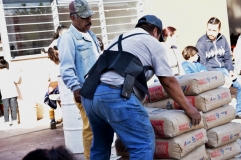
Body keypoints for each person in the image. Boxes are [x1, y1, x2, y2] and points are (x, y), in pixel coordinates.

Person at [79, 15, 201, 160]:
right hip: (114, 95)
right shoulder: (153, 43)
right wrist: (188, 108)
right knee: (142, 144)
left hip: (91, 96)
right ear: (155, 31)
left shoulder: (119, 38)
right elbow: (168, 81)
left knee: (100, 146)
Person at [58, 0, 101, 160]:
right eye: (84, 18)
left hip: (100, 89)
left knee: (101, 127)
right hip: (85, 91)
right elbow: (66, 68)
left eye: (89, 16)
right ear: (73, 18)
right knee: (91, 128)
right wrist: (76, 88)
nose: (89, 20)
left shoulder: (90, 34)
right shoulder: (68, 38)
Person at [196, 17, 241, 120]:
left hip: (225, 70)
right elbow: (202, 64)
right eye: (209, 29)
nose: (211, 32)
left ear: (219, 30)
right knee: (222, 88)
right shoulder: (201, 42)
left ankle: (239, 112)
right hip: (212, 72)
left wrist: (230, 71)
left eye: (214, 30)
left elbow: (228, 58)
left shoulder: (223, 39)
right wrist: (221, 76)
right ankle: (223, 116)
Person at [46, 25, 69, 129]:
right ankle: (65, 119)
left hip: (52, 84)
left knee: (49, 100)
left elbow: (46, 76)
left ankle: (52, 119)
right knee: (63, 102)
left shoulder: (49, 62)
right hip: (61, 83)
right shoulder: (62, 60)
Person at [0, 59, 21, 127]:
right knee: (13, 107)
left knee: (6, 107)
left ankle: (7, 121)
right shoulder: (11, 72)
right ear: (6, 65)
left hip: (4, 93)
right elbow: (16, 80)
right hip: (12, 92)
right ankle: (14, 120)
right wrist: (19, 72)